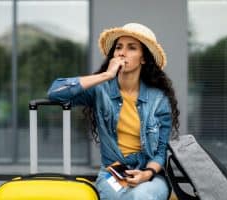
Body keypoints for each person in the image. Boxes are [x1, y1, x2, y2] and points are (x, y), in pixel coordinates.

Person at [47, 23, 179, 200]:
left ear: (143, 58)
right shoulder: (100, 90)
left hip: (149, 175)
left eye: (131, 48)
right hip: (113, 174)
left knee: (142, 196)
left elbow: (160, 152)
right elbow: (55, 92)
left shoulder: (158, 99)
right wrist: (106, 76)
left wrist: (146, 175)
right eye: (118, 47)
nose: (122, 53)